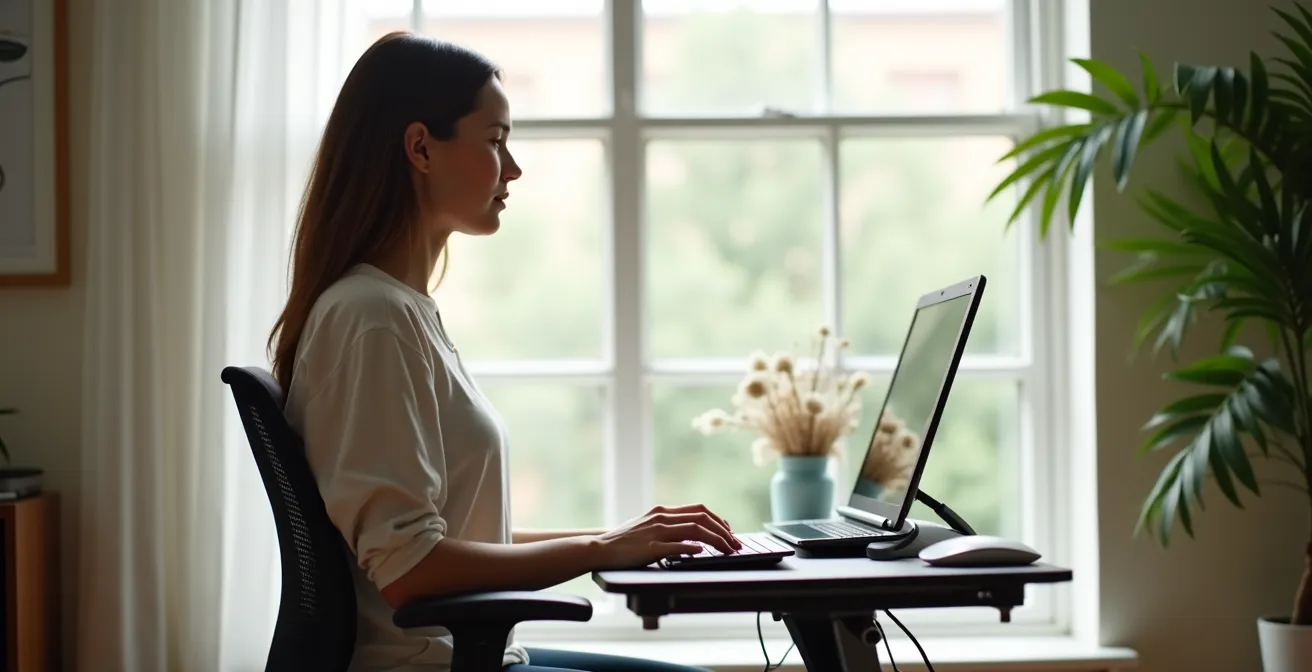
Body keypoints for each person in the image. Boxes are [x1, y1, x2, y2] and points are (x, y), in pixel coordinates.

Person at [269, 31, 742, 672]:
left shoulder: (400, 310)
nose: (512, 168)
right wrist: (602, 549)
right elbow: (410, 569)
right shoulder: (372, 318)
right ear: (420, 148)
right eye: (494, 141)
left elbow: (456, 539)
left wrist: (618, 537)